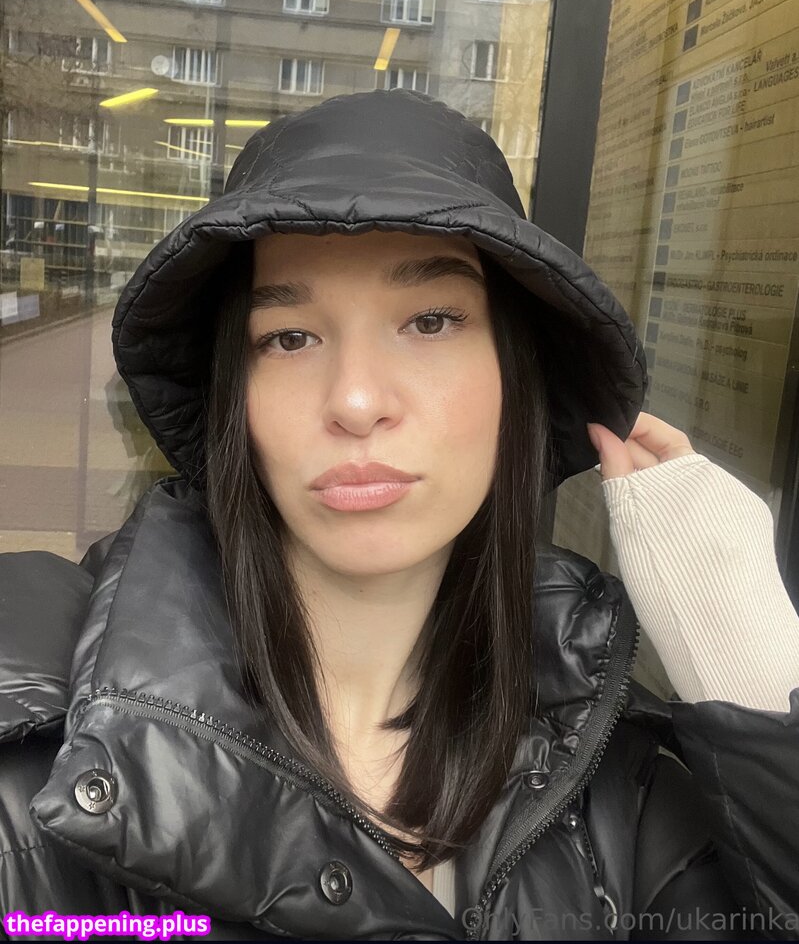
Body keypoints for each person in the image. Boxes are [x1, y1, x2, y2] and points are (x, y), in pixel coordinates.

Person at [1, 88, 798, 942]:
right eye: (289, 337)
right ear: (236, 395)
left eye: (430, 321)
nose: (354, 401)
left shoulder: (621, 778)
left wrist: (750, 677)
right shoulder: (37, 742)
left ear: (516, 377)